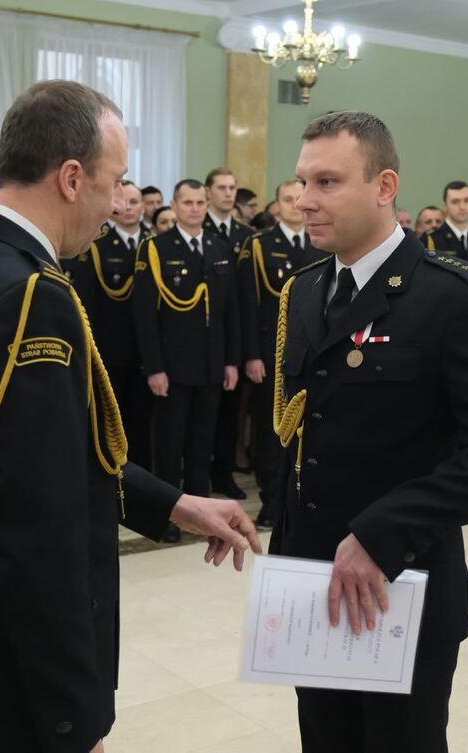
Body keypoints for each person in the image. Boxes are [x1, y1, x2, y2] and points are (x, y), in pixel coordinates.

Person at [0, 79, 260, 753]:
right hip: (9, 673)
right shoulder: (32, 295)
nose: (120, 201)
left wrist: (174, 503)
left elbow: (47, 459)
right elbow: (37, 526)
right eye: (115, 182)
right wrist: (69, 718)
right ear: (71, 176)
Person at [271, 110, 468, 753]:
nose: (305, 200)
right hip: (315, 583)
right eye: (303, 182)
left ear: (384, 186)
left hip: (402, 587)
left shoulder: (452, 296)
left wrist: (381, 533)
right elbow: (305, 435)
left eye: (327, 182)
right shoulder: (304, 291)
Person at [132, 179, 242, 540]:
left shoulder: (218, 246)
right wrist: (155, 367)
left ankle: (202, 511)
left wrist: (230, 361)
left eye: (200, 202)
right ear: (175, 206)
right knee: (170, 444)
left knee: (201, 442)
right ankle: (169, 518)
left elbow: (229, 313)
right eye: (188, 202)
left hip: (211, 365)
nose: (195, 208)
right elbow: (145, 316)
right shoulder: (157, 248)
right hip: (173, 366)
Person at [238, 179, 328, 528]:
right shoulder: (259, 245)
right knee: (271, 432)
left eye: (299, 197)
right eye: (287, 199)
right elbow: (248, 305)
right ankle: (270, 500)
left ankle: (297, 497)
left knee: (307, 432)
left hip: (312, 354)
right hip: (270, 354)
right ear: (276, 206)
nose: (295, 204)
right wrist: (251, 355)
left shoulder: (323, 242)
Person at [61, 179, 153, 470]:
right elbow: (87, 300)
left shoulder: (156, 243)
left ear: (144, 207)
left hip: (149, 352)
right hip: (111, 349)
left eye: (135, 201)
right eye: (122, 201)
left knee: (144, 424)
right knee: (111, 422)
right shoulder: (95, 245)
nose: (127, 208)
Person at [203, 167, 253, 499]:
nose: (228, 193)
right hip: (201, 335)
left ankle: (223, 473)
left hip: (233, 332)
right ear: (207, 192)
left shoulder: (245, 235)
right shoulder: (196, 228)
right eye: (221, 187)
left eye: (232, 187)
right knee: (200, 416)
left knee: (228, 414)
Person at [423, 181, 468, 269]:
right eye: (455, 202)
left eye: (467, 200)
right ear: (445, 206)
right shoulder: (431, 240)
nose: (462, 207)